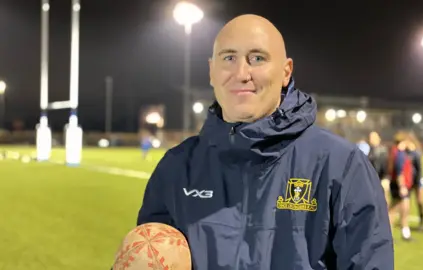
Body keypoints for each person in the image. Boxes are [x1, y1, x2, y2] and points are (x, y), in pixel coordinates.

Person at [136, 14, 393, 269]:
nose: (242, 73)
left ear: (285, 71)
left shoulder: (341, 166)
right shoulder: (177, 168)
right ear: (211, 71)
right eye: (229, 58)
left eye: (257, 58)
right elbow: (150, 256)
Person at [387, 132, 413, 241]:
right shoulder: (400, 154)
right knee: (394, 209)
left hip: (398, 184)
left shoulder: (394, 152)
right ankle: (389, 234)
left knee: (404, 208)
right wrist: (402, 186)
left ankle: (405, 233)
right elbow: (399, 172)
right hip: (399, 185)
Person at [405, 133, 423, 230]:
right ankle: (405, 223)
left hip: (417, 181)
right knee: (406, 202)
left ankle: (422, 222)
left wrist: (418, 181)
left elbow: (420, 169)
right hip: (408, 181)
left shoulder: (416, 153)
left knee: (420, 201)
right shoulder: (405, 153)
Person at [368, 131, 390, 203]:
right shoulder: (371, 150)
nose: (370, 139)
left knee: (384, 198)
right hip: (375, 178)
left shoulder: (382, 150)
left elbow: (382, 165)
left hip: (382, 177)